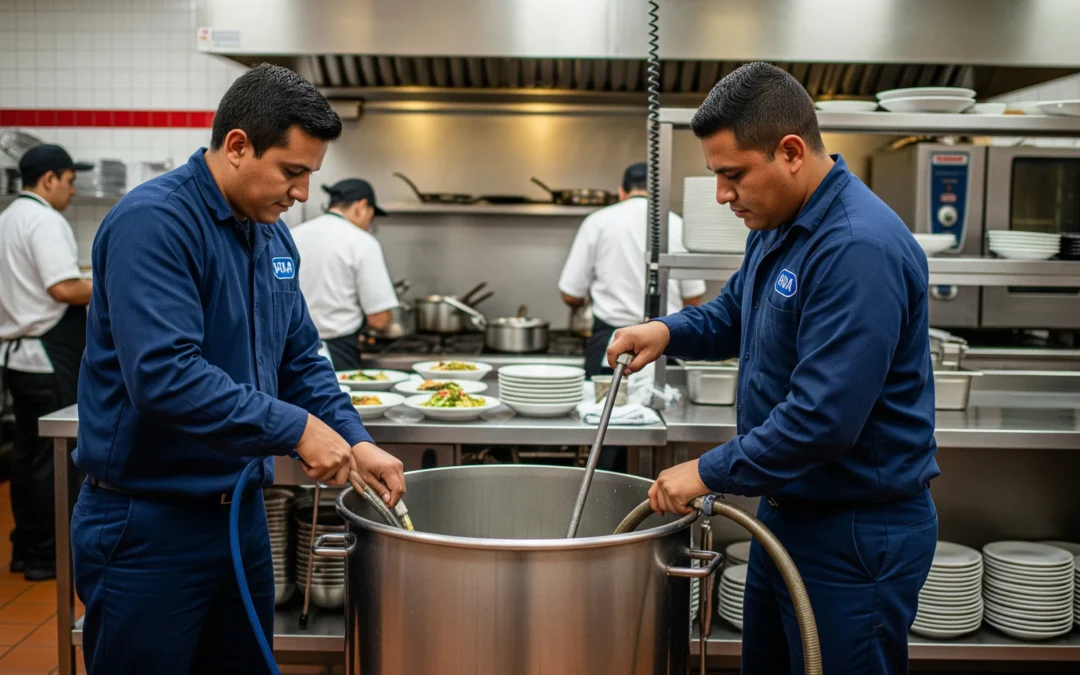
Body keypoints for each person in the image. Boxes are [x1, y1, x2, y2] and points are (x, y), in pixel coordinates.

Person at [71, 64, 406, 675]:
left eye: (311, 175)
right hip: (149, 524)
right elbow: (165, 376)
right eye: (292, 171)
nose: (303, 193)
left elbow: (301, 359)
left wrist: (357, 440)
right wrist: (299, 430)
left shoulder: (272, 238)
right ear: (236, 146)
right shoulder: (156, 223)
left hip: (240, 516)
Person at [607, 63, 939, 674]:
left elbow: (822, 420)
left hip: (854, 533)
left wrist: (707, 471)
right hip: (790, 515)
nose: (722, 195)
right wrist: (666, 330)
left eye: (732, 175)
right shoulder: (782, 222)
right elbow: (739, 310)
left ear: (790, 152)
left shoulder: (855, 248)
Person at [0, 144, 93, 581]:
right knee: (51, 460)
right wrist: (114, 282)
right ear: (49, 179)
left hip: (18, 356)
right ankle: (47, 554)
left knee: (26, 454)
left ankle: (26, 547)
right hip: (46, 357)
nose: (71, 192)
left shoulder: (9, 217)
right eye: (70, 182)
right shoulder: (44, 219)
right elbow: (65, 290)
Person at [559, 162, 706, 379]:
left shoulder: (598, 222)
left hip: (612, 345)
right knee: (666, 411)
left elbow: (570, 294)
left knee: (602, 410)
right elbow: (692, 299)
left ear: (621, 192)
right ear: (659, 192)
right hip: (666, 346)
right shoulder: (678, 225)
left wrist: (584, 303)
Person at [292, 178, 399, 370]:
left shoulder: (292, 235)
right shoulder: (362, 242)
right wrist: (391, 326)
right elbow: (379, 319)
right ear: (362, 207)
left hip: (290, 351)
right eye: (371, 217)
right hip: (339, 354)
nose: (369, 224)